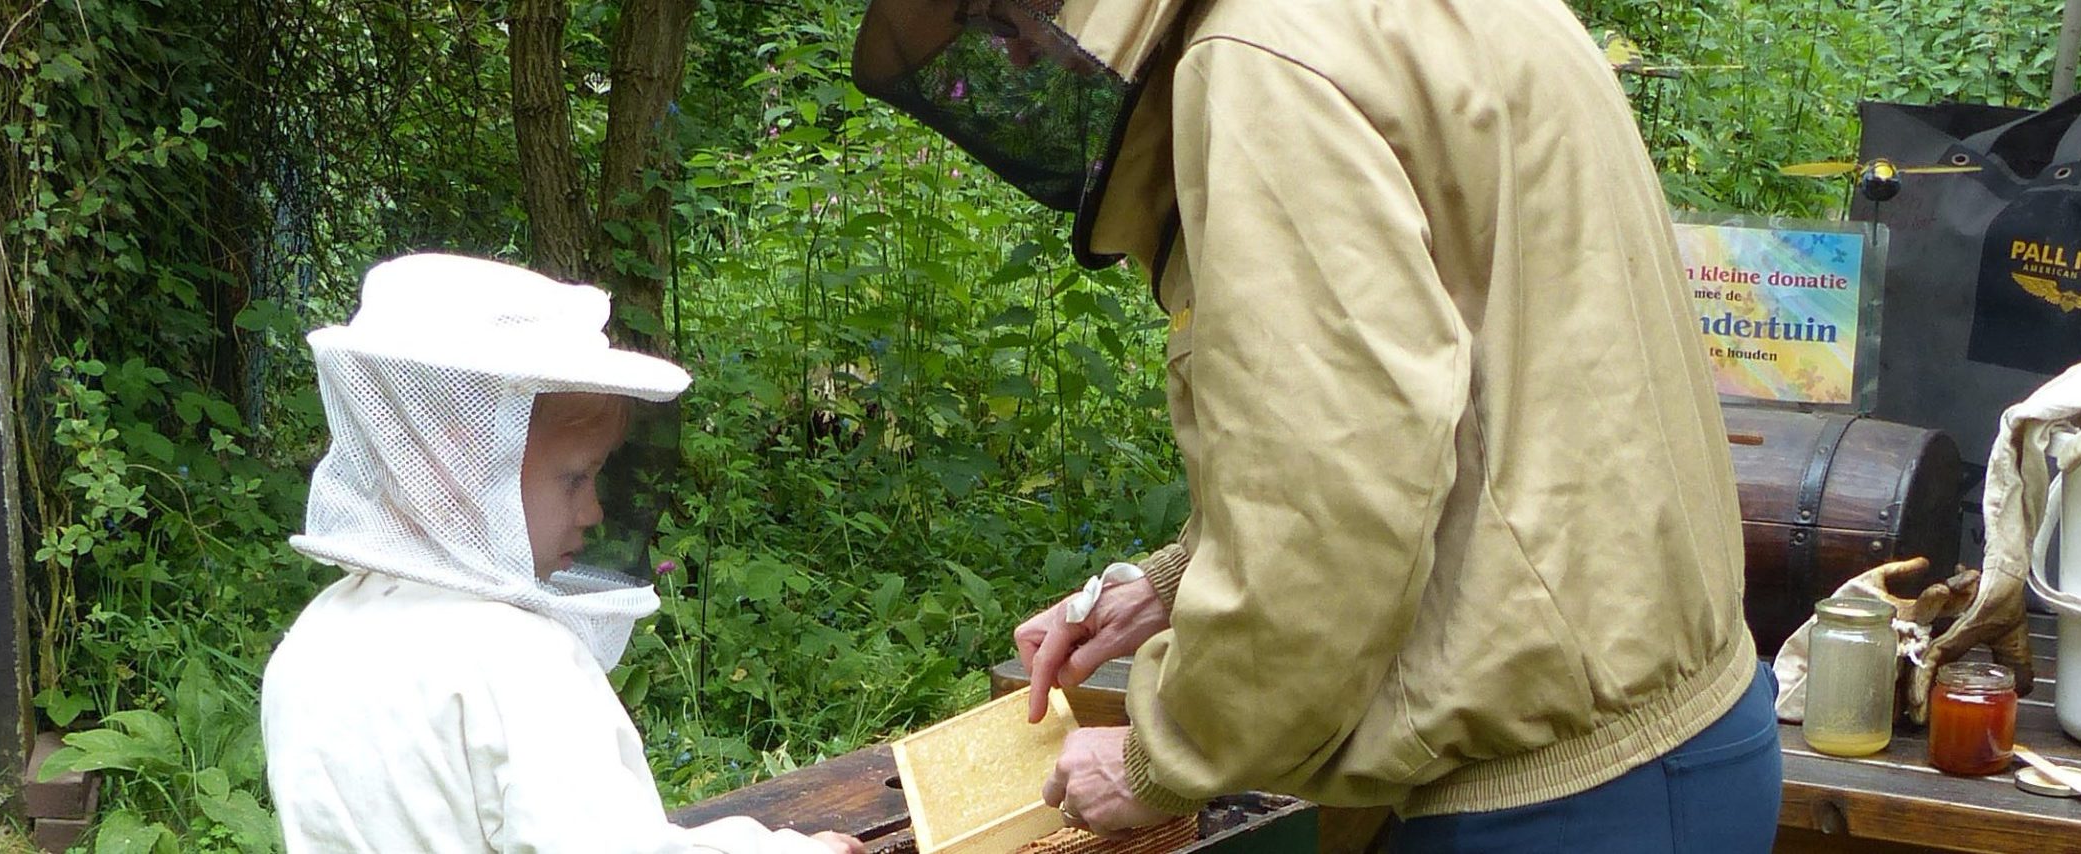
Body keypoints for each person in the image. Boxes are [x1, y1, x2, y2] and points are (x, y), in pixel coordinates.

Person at [853, 0, 1780, 850]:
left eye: (1008, 17)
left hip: (1556, 801)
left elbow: (1335, 489)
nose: (1018, 55)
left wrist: (1161, 758)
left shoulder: (1260, 57)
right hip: (1688, 741)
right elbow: (1499, 390)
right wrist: (1173, 583)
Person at [260, 254, 863, 854]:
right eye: (575, 478)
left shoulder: (315, 639)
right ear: (456, 467)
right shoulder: (516, 659)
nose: (594, 511)